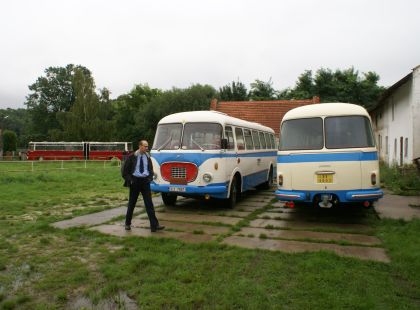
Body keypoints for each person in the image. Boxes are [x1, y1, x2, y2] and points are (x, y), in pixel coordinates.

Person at [122, 140, 164, 232]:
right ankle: (127, 223)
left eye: (147, 146)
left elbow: (151, 170)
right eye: (145, 146)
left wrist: (149, 178)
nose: (147, 148)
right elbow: (125, 172)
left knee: (149, 204)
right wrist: (131, 181)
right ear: (140, 146)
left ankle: (154, 226)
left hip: (145, 182)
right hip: (135, 182)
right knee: (132, 204)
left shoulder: (148, 157)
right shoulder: (132, 157)